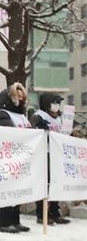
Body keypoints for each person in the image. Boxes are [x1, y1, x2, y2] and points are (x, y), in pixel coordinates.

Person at [0, 83, 32, 233]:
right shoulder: (3, 114)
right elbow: (8, 133)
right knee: (7, 190)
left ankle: (15, 220)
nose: (21, 100)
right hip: (8, 159)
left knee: (18, 190)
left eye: (23, 97)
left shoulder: (21, 116)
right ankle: (4, 221)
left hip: (21, 158)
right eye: (18, 97)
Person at [29, 93, 70, 225]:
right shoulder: (39, 116)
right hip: (43, 154)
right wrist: (40, 128)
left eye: (58, 103)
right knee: (44, 184)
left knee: (56, 183)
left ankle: (55, 212)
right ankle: (42, 215)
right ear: (47, 103)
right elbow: (31, 131)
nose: (56, 106)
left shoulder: (59, 118)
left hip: (57, 154)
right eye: (54, 103)